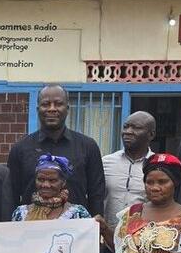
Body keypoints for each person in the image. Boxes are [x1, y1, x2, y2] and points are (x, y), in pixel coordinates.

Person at [8, 85, 107, 217]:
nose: (52, 109)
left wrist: (95, 226)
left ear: (67, 108)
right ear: (37, 109)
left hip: (76, 226)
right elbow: (12, 195)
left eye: (58, 104)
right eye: (46, 104)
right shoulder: (20, 149)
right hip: (31, 227)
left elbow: (96, 194)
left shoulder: (88, 146)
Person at [102, 111, 156, 227]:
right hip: (107, 233)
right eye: (126, 127)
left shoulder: (157, 165)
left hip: (142, 234)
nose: (128, 132)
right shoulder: (106, 162)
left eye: (136, 128)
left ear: (151, 135)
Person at [11, 155, 92, 221]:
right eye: (41, 179)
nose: (46, 185)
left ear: (63, 182)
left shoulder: (78, 214)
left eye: (52, 180)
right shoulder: (20, 213)